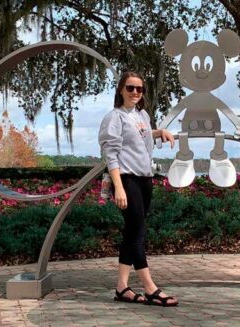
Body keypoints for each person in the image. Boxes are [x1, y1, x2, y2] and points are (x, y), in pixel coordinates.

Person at [98, 71, 178, 306]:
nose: (135, 92)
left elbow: (140, 135)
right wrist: (119, 188)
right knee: (138, 232)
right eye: (130, 88)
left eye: (139, 89)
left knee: (132, 231)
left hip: (144, 179)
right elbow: (111, 155)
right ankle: (150, 286)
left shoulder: (142, 115)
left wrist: (158, 132)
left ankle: (122, 288)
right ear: (121, 89)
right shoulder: (114, 117)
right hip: (126, 179)